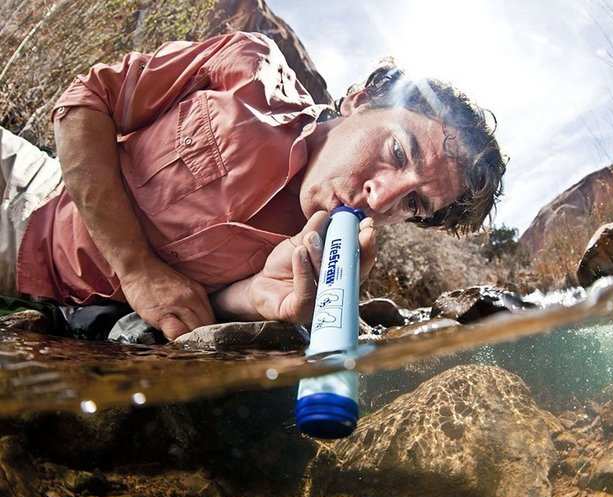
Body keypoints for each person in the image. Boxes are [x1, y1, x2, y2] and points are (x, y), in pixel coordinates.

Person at [0, 31, 506, 341]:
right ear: (360, 100)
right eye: (398, 152)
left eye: (414, 203)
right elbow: (86, 100)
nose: (381, 199)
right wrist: (135, 266)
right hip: (32, 199)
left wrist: (260, 302)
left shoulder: (319, 257)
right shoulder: (249, 66)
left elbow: (197, 305)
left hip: (66, 306)